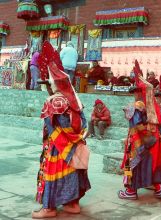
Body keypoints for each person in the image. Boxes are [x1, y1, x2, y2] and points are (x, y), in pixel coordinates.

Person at [32, 41, 91, 218]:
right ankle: (72, 204)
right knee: (72, 172)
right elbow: (83, 123)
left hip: (59, 147)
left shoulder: (53, 102)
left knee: (53, 173)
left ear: (51, 83)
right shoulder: (74, 99)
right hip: (76, 145)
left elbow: (51, 128)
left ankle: (48, 208)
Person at [118, 64, 161, 200]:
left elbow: (136, 125)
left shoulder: (137, 106)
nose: (134, 94)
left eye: (135, 91)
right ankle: (159, 189)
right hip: (154, 139)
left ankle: (130, 191)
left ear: (139, 92)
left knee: (130, 164)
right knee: (154, 164)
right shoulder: (154, 106)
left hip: (138, 141)